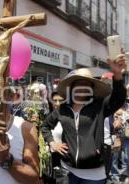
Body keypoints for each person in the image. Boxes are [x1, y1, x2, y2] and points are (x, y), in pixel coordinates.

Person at [41, 53, 126, 184]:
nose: (82, 87)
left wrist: (118, 75)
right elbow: (45, 126)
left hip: (94, 175)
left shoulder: (99, 106)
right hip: (67, 171)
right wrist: (52, 143)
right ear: (72, 88)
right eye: (78, 83)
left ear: (91, 88)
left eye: (86, 84)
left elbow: (118, 98)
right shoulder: (63, 108)